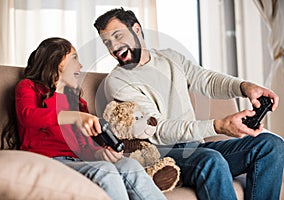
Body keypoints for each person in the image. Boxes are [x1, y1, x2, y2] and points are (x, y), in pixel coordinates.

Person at [94, 8, 284, 200]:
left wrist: (245, 87)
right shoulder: (117, 81)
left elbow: (206, 80)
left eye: (118, 36)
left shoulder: (170, 57)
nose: (113, 47)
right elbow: (158, 129)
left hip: (195, 147)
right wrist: (217, 126)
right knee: (212, 160)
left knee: (272, 145)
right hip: (162, 153)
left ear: (136, 29)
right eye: (107, 42)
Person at [1, 37, 167, 200]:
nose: (80, 65)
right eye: (74, 58)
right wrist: (74, 117)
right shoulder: (29, 87)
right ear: (57, 61)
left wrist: (101, 154)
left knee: (129, 165)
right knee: (104, 171)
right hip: (48, 160)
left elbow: (84, 147)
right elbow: (28, 116)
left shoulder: (77, 102)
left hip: (78, 160)